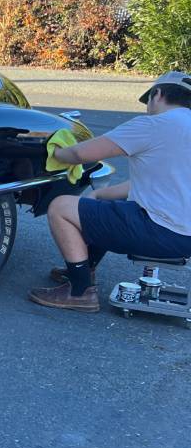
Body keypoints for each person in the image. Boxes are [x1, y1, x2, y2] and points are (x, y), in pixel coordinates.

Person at [29, 71, 191, 313]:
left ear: (157, 95)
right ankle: (84, 268)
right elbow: (155, 183)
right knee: (99, 209)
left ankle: (80, 291)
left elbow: (80, 155)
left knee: (61, 207)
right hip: (183, 238)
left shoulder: (154, 125)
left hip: (160, 231)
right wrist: (98, 195)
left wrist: (55, 153)